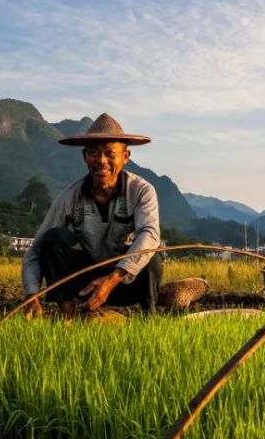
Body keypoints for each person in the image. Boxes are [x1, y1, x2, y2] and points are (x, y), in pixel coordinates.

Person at [21, 112, 168, 318]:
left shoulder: (141, 191)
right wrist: (32, 293)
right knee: (54, 239)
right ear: (84, 157)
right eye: (94, 153)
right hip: (85, 283)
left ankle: (148, 319)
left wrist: (112, 278)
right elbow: (36, 250)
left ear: (125, 157)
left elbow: (150, 234)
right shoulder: (70, 196)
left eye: (110, 153)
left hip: (124, 281)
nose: (101, 160)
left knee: (151, 256)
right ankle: (68, 318)